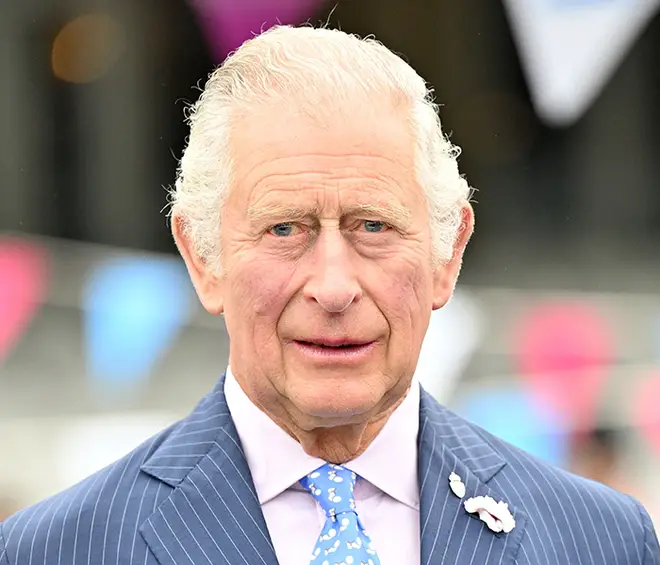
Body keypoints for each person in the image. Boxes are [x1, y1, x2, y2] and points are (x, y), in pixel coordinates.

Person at [1, 25, 658, 565]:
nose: (335, 286)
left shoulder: (602, 540)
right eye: (285, 229)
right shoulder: (57, 549)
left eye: (373, 226)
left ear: (448, 253)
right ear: (202, 256)